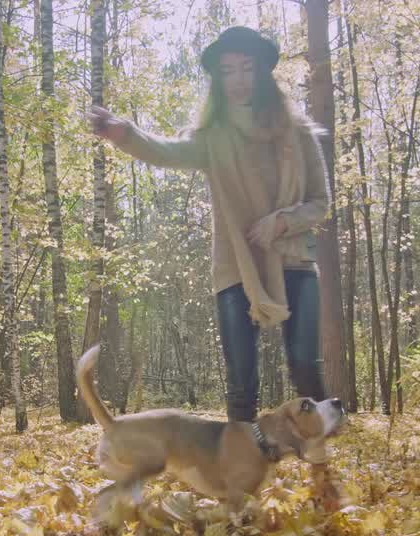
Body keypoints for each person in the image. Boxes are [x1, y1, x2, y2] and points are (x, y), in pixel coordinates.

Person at [87, 25, 332, 422]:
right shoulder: (212, 138)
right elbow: (166, 150)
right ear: (218, 78)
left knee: (305, 365)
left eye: (246, 69)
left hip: (294, 261)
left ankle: (322, 467)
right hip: (236, 265)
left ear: (263, 72)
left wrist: (284, 222)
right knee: (241, 383)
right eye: (227, 70)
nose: (237, 79)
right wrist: (124, 133)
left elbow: (321, 203)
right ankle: (241, 478)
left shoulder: (297, 132)